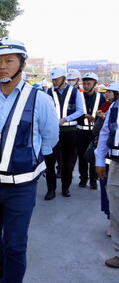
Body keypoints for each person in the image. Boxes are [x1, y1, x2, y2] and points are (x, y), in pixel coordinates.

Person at [0, 38, 59, 283]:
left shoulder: (39, 99)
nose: (2, 66)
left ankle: (10, 276)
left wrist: (28, 160)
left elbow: (50, 138)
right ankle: (7, 267)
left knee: (15, 244)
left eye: (9, 61)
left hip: (22, 187)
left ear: (22, 64)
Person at [44, 67, 84, 199]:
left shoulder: (75, 92)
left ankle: (65, 187)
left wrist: (65, 119)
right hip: (53, 131)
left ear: (64, 79)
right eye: (53, 79)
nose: (54, 82)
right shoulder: (48, 92)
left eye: (56, 79)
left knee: (68, 161)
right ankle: (51, 190)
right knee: (50, 161)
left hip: (70, 131)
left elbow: (80, 111)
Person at [95, 82, 119, 268]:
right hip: (116, 164)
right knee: (116, 210)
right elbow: (104, 134)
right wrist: (100, 161)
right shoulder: (113, 108)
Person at [76, 72, 105, 189]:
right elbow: (74, 113)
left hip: (94, 132)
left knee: (93, 156)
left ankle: (93, 180)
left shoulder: (100, 97)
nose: (86, 86)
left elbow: (105, 115)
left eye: (89, 83)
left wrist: (101, 116)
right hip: (81, 131)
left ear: (95, 84)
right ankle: (83, 179)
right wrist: (85, 116)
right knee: (82, 156)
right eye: (84, 83)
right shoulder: (79, 96)